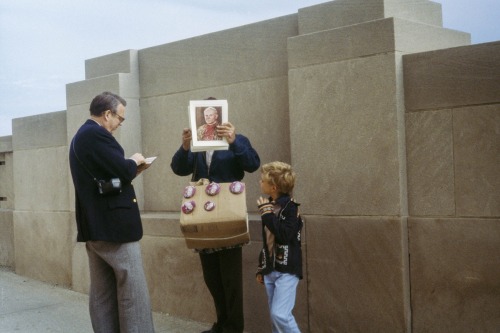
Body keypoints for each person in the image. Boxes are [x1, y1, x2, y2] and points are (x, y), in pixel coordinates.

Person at [171, 99, 260, 333]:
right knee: (212, 277)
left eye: (213, 116)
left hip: (228, 214)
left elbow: (252, 164)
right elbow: (178, 168)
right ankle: (221, 325)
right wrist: (185, 146)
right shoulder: (198, 143)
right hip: (204, 216)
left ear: (220, 117)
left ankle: (234, 328)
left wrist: (235, 141)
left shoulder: (236, 140)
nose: (209, 119)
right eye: (205, 116)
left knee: (231, 279)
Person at [69, 91, 155, 333]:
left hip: (95, 227)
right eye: (120, 118)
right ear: (107, 114)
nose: (119, 124)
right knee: (133, 294)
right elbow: (121, 169)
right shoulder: (97, 135)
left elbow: (104, 176)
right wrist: (135, 161)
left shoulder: (81, 136)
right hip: (115, 228)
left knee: (102, 294)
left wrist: (127, 169)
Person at [256, 161, 303, 333]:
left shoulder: (290, 208)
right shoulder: (269, 205)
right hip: (271, 269)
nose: (260, 183)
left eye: (262, 180)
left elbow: (284, 235)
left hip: (287, 270)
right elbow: (268, 241)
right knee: (275, 321)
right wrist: (262, 268)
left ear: (273, 187)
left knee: (280, 315)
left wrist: (267, 215)